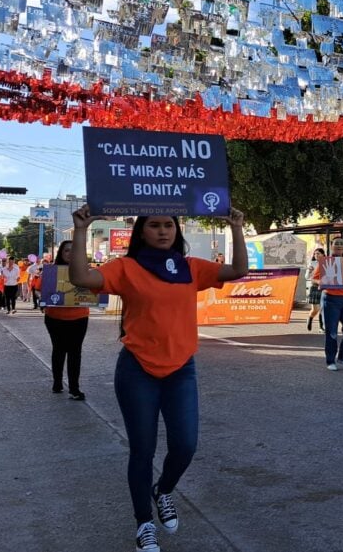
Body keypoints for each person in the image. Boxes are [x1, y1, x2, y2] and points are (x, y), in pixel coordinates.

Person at [68, 204, 248, 552]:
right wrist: (80, 231)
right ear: (142, 231)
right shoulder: (126, 268)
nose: (163, 231)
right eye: (155, 225)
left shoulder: (190, 268)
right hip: (138, 369)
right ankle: (143, 523)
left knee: (185, 446)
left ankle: (163, 490)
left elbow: (238, 269)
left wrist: (237, 227)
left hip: (181, 368)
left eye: (169, 225)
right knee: (142, 450)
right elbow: (81, 279)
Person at [44, 241, 90, 400]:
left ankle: (74, 388)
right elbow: (40, 291)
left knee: (75, 352)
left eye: (74, 250)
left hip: (79, 318)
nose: (70, 253)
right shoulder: (51, 272)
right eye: (67, 250)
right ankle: (57, 383)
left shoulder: (86, 271)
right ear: (61, 253)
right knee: (58, 350)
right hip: (55, 318)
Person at [316, 237, 343, 371]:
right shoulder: (325, 262)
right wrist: (321, 282)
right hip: (331, 299)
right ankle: (330, 360)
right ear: (331, 246)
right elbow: (314, 278)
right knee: (331, 332)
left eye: (342, 244)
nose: (339, 246)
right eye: (336, 244)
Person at [305, 247, 326, 332]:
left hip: (324, 287)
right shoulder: (312, 263)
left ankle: (322, 327)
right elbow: (306, 277)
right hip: (314, 287)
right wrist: (309, 271)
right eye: (315, 254)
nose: (316, 255)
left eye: (318, 253)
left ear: (323, 254)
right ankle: (310, 318)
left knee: (322, 308)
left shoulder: (326, 262)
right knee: (315, 309)